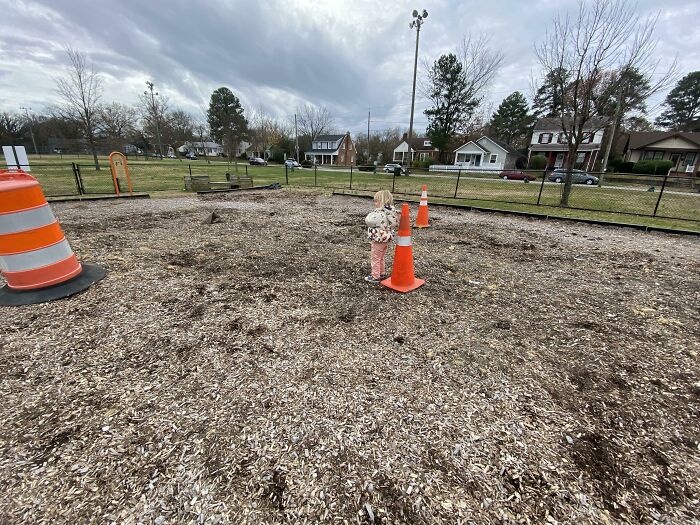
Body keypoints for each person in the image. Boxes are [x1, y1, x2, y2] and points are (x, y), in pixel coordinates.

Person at [364, 190, 398, 284]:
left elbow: (368, 221)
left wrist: (372, 213)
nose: (375, 203)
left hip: (378, 239)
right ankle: (381, 273)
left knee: (375, 258)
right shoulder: (391, 213)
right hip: (386, 239)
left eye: (376, 201)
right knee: (381, 257)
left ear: (381, 201)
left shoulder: (379, 214)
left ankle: (375, 276)